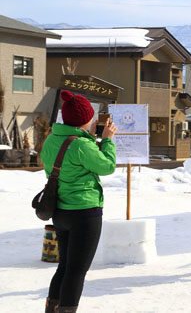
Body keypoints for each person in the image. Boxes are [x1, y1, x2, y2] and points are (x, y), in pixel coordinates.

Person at [42, 90, 117, 313]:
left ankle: (52, 309)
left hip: (61, 212)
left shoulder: (53, 139)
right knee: (77, 271)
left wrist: (90, 137)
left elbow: (73, 158)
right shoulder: (81, 145)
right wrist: (107, 141)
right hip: (84, 213)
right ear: (85, 119)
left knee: (64, 267)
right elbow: (106, 166)